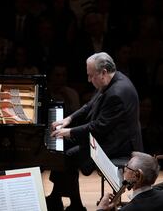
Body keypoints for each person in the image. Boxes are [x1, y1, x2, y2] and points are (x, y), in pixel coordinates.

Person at [47, 52, 143, 211]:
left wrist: (68, 132)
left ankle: (75, 205)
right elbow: (90, 105)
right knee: (63, 149)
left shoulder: (117, 93)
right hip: (111, 135)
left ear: (103, 72)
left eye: (91, 76)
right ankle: (56, 197)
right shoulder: (112, 80)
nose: (89, 80)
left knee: (68, 156)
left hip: (120, 145)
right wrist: (69, 119)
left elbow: (99, 127)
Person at [97, 152, 163, 211]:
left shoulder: (128, 209)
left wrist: (100, 209)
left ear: (136, 175)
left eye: (127, 166)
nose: (125, 168)